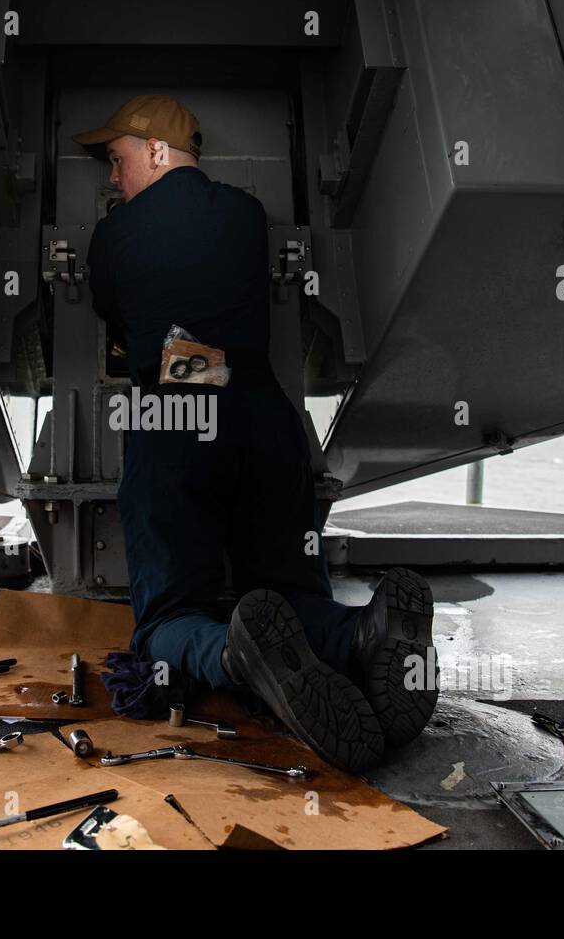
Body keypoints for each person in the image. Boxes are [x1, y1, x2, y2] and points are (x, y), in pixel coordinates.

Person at [74, 94, 437, 772]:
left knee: (165, 616)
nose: (112, 178)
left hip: (179, 405)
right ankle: (365, 632)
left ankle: (237, 657)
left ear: (156, 152)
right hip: (265, 412)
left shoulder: (115, 234)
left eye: (118, 160)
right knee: (295, 589)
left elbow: (111, 313)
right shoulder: (246, 215)